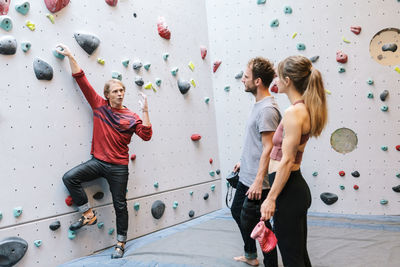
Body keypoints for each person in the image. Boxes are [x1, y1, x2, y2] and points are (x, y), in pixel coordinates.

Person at [57, 44, 153, 259]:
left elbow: (146, 135)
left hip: (119, 167)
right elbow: (81, 79)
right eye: (116, 91)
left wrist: (145, 111)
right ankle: (88, 215)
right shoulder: (99, 105)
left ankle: (120, 243)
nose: (120, 94)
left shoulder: (131, 116)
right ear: (107, 95)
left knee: (120, 205)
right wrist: (71, 55)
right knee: (69, 178)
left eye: (122, 91)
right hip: (98, 162)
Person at [260, 55, 328, 267]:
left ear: (288, 80)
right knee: (298, 255)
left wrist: (271, 198)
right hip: (293, 189)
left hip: (288, 192)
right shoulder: (303, 109)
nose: (275, 82)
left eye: (279, 77)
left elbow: (287, 161)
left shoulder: (293, 112)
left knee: (292, 258)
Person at [231, 57, 281, 267]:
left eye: (246, 76)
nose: (243, 80)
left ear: (258, 81)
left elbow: (269, 148)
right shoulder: (258, 105)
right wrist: (244, 162)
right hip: (247, 174)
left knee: (262, 225)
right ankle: (251, 255)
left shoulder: (267, 109)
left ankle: (270, 263)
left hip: (258, 181)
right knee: (237, 211)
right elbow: (258, 143)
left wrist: (259, 181)